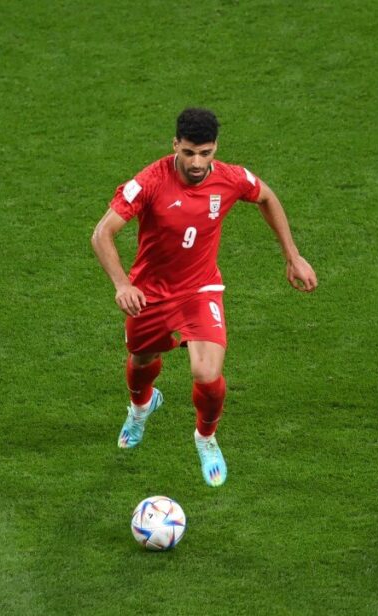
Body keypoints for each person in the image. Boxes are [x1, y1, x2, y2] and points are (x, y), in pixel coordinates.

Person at [91, 107, 318, 487]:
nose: (197, 163)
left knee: (207, 373)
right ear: (175, 145)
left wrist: (292, 256)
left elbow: (266, 197)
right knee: (142, 359)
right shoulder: (149, 182)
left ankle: (206, 437)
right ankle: (141, 407)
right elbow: (102, 233)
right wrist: (122, 285)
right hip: (150, 292)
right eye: (189, 153)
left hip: (200, 290)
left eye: (205, 153)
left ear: (216, 148)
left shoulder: (230, 178)